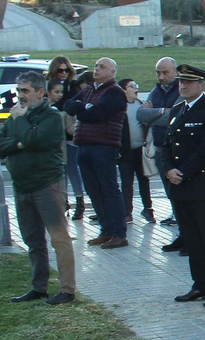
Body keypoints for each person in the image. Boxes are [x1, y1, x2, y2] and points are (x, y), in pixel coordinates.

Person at [0, 70, 76, 305]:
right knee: (33, 240)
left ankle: (67, 290)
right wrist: (19, 141)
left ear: (40, 92)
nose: (21, 96)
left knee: (59, 239)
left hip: (47, 185)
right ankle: (39, 288)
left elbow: (35, 140)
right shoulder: (17, 115)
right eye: (19, 91)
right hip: (22, 186)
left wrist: (20, 126)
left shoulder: (50, 116)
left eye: (25, 91)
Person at [159, 65, 205, 306]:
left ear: (201, 85)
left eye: (189, 82)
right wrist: (168, 170)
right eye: (181, 81)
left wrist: (183, 173)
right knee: (191, 238)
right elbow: (165, 145)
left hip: (200, 184)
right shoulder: (177, 110)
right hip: (178, 185)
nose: (183, 86)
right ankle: (200, 284)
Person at [64, 56, 129, 249]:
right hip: (83, 145)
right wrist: (86, 107)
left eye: (102, 67)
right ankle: (106, 230)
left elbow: (98, 114)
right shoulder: (89, 90)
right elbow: (68, 106)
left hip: (104, 146)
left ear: (112, 72)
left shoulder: (115, 93)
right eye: (96, 66)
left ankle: (119, 233)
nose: (97, 69)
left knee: (109, 189)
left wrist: (83, 110)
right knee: (93, 190)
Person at [46, 55, 86, 221]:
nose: (63, 73)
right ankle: (63, 202)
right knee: (60, 170)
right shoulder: (48, 87)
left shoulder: (72, 87)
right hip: (55, 135)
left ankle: (79, 201)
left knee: (72, 168)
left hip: (70, 133)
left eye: (66, 70)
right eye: (60, 70)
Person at [116, 77, 160, 224]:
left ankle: (148, 208)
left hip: (139, 151)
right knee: (127, 182)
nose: (136, 88)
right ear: (123, 90)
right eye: (132, 86)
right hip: (125, 151)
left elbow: (149, 123)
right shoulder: (119, 107)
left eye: (136, 85)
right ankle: (126, 212)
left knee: (144, 179)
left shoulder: (141, 105)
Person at [148, 56, 181, 226]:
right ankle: (175, 214)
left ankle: (181, 222)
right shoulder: (156, 92)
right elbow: (141, 115)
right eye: (158, 73)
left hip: (176, 149)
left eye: (165, 73)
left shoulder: (181, 90)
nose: (161, 77)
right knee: (168, 189)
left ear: (175, 72)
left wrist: (154, 114)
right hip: (160, 147)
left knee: (178, 189)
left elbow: (174, 117)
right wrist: (161, 113)